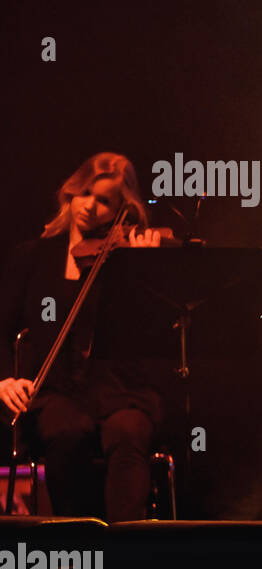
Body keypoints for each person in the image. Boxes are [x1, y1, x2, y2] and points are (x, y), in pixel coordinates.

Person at [0, 152, 165, 521]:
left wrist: (141, 274)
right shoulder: (31, 257)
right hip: (52, 393)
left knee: (129, 430)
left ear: (123, 210)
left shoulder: (123, 259)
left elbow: (147, 340)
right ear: (70, 193)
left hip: (118, 390)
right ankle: (76, 540)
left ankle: (127, 547)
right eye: (84, 193)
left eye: (105, 201)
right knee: (67, 430)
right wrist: (3, 380)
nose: (90, 207)